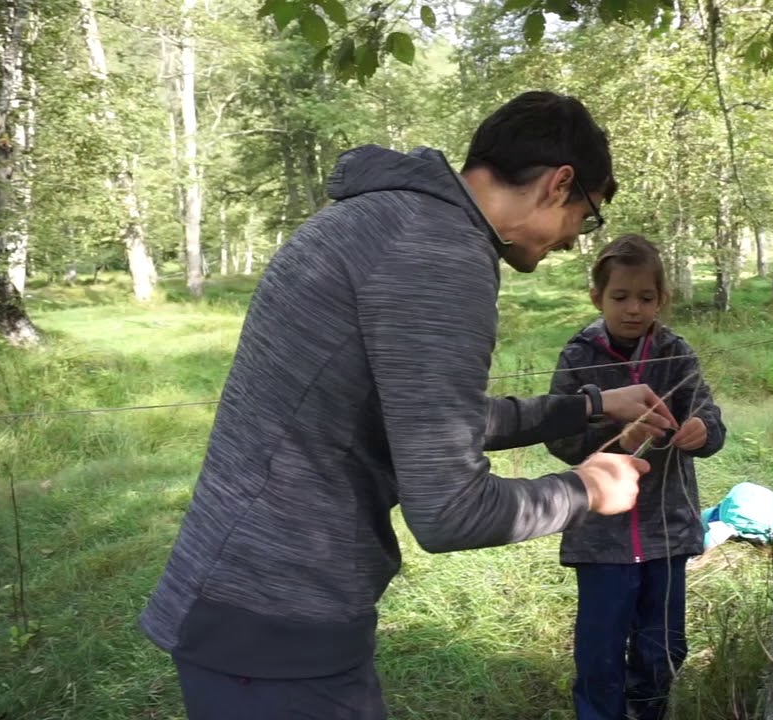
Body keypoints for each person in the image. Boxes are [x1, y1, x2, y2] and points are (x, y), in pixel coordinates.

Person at [138, 92, 678, 720]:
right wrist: (586, 490)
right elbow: (451, 511)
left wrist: (586, 406)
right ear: (559, 184)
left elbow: (431, 421)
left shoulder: (389, 219)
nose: (572, 242)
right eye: (586, 220)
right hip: (279, 619)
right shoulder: (440, 254)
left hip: (247, 600)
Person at [546, 234, 726, 720]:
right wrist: (617, 439)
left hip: (665, 529)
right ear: (596, 298)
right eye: (620, 297)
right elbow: (558, 438)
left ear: (661, 299)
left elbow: (710, 418)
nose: (633, 309)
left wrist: (700, 430)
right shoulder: (579, 355)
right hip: (601, 535)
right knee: (600, 650)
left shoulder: (676, 352)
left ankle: (648, 712)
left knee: (662, 646)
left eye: (646, 298)